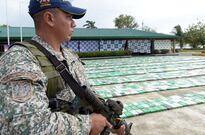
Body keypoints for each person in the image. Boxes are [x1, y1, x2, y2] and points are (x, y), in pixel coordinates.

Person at [0, 0, 125, 134]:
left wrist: (107, 117)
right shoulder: (20, 59)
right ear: (50, 19)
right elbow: (25, 126)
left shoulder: (70, 55)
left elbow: (85, 91)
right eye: (69, 17)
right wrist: (88, 124)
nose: (74, 23)